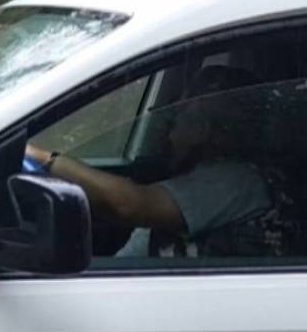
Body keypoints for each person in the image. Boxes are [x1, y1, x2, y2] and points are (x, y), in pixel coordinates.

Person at [26, 66, 294, 258]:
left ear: (203, 128)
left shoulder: (234, 180)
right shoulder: (201, 174)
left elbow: (130, 205)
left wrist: (43, 158)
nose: (169, 127)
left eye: (180, 114)